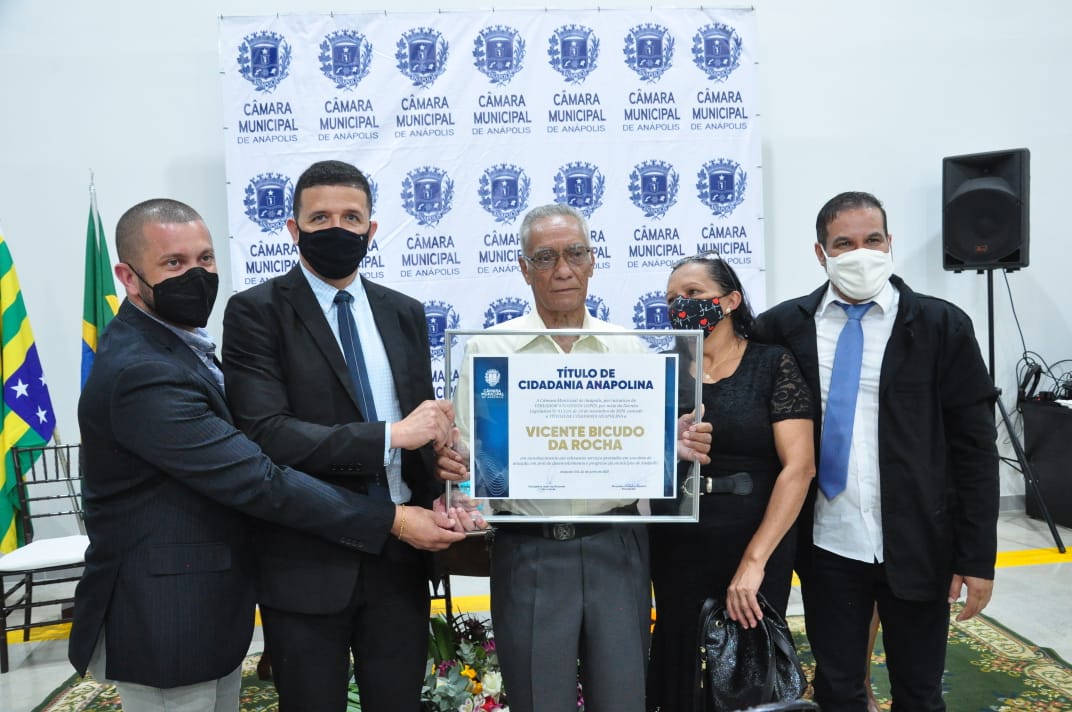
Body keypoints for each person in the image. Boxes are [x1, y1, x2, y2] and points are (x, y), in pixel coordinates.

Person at [69, 198, 464, 712]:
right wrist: (393, 519)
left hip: (209, 605)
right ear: (127, 275)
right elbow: (259, 478)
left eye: (205, 260)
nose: (196, 275)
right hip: (166, 614)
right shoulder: (144, 371)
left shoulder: (180, 347)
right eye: (173, 263)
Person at [437, 203, 712, 712]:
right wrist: (456, 468)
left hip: (619, 545)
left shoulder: (630, 350)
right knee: (541, 702)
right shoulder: (490, 350)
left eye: (575, 253)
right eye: (545, 257)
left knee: (625, 699)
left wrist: (674, 447)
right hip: (530, 551)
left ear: (592, 261)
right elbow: (475, 459)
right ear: (524, 268)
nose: (562, 269)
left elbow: (647, 454)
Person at [221, 160, 473, 712]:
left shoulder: (403, 312)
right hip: (307, 558)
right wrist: (394, 434)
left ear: (370, 230)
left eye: (351, 216)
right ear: (293, 229)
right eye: (320, 217)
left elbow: (417, 437)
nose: (337, 227)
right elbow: (267, 436)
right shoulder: (255, 312)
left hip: (401, 556)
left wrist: (442, 476)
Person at [752, 191, 1000, 711]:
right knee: (839, 689)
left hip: (918, 542)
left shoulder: (941, 326)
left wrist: (977, 557)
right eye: (844, 243)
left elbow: (975, 449)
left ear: (890, 244)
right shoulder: (783, 328)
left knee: (919, 689)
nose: (860, 253)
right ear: (821, 254)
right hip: (828, 545)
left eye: (872, 240)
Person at [646, 252, 816, 712]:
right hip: (678, 543)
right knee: (682, 665)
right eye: (671, 299)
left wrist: (755, 562)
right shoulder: (658, 372)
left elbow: (799, 468)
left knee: (747, 669)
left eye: (693, 294)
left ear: (731, 300)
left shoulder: (771, 364)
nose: (680, 306)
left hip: (756, 540)